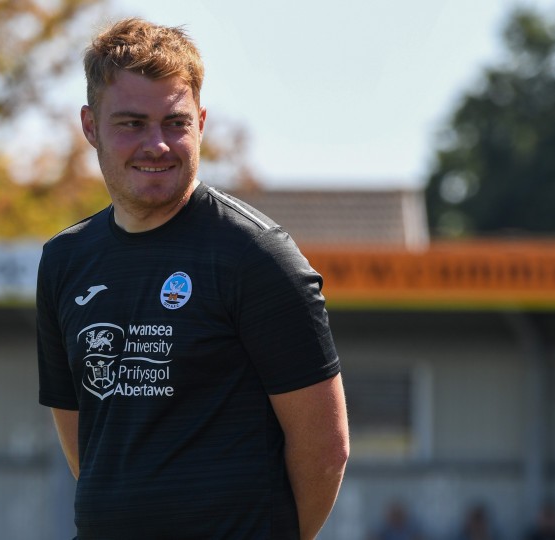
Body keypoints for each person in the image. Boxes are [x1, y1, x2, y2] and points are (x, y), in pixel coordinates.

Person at [36, 17, 350, 540]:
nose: (156, 145)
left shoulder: (256, 255)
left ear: (200, 122)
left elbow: (325, 448)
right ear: (90, 126)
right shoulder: (66, 260)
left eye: (175, 123)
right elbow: (82, 440)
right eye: (132, 124)